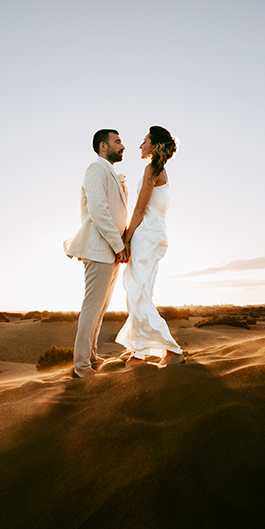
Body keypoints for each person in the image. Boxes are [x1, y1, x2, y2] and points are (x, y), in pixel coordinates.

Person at [116, 126, 185, 366]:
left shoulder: (152, 170)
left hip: (145, 236)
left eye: (144, 141)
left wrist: (125, 239)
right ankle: (139, 351)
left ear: (154, 146)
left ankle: (172, 350)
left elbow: (141, 208)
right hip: (154, 235)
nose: (140, 145)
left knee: (138, 292)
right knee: (140, 291)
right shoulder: (160, 171)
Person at [65, 129, 128, 378]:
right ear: (103, 146)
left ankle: (91, 353)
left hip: (112, 252)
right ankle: (81, 365)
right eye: (118, 142)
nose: (122, 146)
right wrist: (119, 245)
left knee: (101, 307)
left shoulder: (111, 173)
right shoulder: (95, 169)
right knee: (92, 306)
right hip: (101, 249)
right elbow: (99, 211)